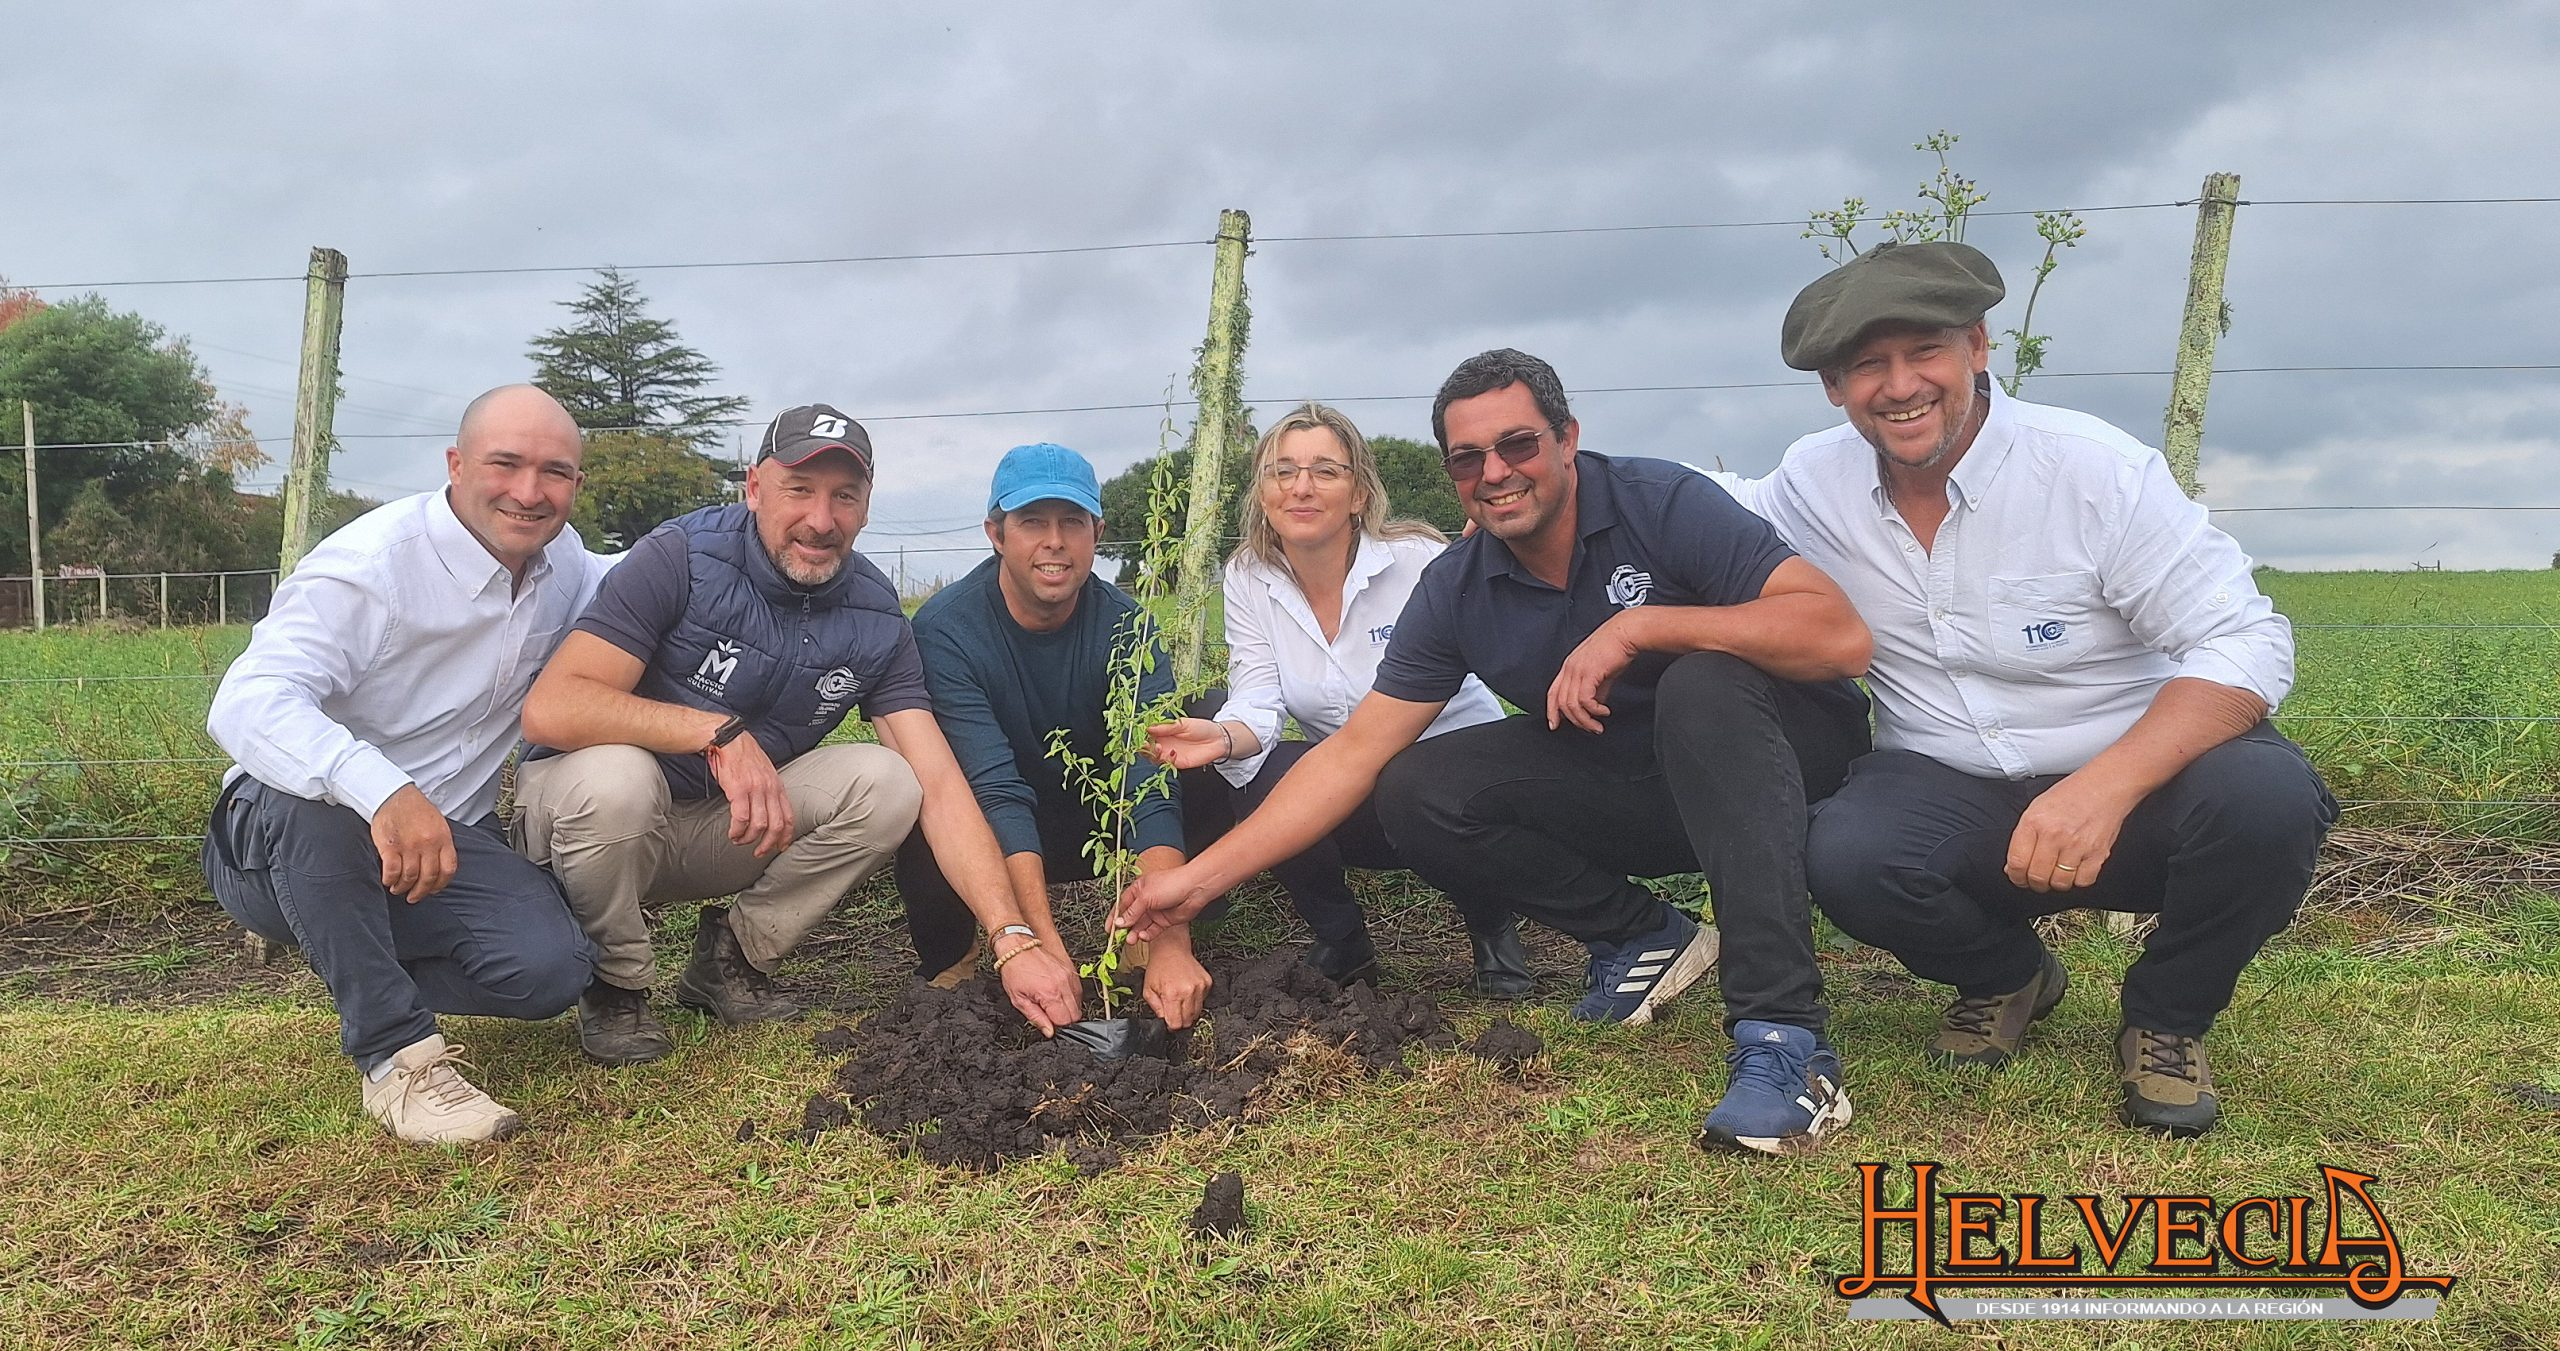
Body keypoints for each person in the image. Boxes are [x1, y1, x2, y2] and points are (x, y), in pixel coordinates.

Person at [1118, 350, 1877, 1157]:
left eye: (1517, 444)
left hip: (1780, 763)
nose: (1496, 472)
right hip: (1642, 778)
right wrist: (1194, 884)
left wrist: (1642, 625)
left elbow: (1839, 636)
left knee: (1702, 684)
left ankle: (1784, 1039)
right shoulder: (1459, 584)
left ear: (1566, 438)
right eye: (1468, 458)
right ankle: (1643, 935)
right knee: (1415, 784)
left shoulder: (1662, 501)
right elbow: (1350, 755)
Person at [1720, 240, 2336, 1137]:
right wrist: (1535, 506)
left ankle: (2166, 1016)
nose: (1899, 386)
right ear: (1833, 387)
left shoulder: (2093, 470)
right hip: (1947, 786)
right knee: (1847, 853)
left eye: (1923, 352)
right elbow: (1692, 507)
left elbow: (2245, 639)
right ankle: (2008, 974)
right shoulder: (1812, 483)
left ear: (1976, 344)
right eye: (1866, 366)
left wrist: (2104, 785)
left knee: (2268, 801)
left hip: (2135, 779)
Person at [513, 405, 1080, 1065]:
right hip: (584, 822)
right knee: (619, 781)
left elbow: (942, 787)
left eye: (845, 496)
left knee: (891, 782)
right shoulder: (681, 557)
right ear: (754, 488)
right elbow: (552, 708)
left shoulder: (875, 616)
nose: (821, 519)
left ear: (867, 508)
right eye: (799, 490)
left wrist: (1013, 937)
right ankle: (616, 981)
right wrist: (712, 731)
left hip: (710, 828)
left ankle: (733, 959)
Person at [203, 384, 609, 1145]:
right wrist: (383, 788)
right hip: (283, 844)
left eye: (554, 472)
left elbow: (655, 580)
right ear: (455, 464)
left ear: (577, 486)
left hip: (444, 842)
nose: (529, 491)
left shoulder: (570, 566)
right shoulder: (372, 566)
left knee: (550, 970)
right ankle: (398, 1056)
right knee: (318, 805)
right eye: (505, 463)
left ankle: (355, 961)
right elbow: (247, 700)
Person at [1140, 403, 1525, 993]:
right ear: (1263, 494)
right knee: (1258, 769)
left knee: (1423, 774)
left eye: (1325, 470)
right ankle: (1344, 939)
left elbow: (1508, 626)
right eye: (1282, 471)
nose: (1302, 487)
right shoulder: (1248, 576)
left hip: (1457, 792)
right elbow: (1257, 697)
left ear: (1359, 494)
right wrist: (1219, 736)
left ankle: (1493, 932)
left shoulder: (1418, 560)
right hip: (1352, 789)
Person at [898, 443, 1229, 1030]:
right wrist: (1039, 944)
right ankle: (958, 963)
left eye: (1072, 522)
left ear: (1097, 533)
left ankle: (1151, 936)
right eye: (1032, 522)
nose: (1054, 541)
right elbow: (994, 787)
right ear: (996, 534)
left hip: (1099, 819)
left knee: (1201, 737)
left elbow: (1148, 778)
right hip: (990, 827)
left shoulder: (1129, 625)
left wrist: (1170, 937)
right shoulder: (947, 630)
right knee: (915, 787)